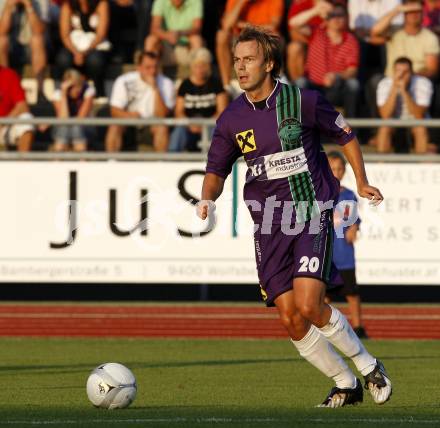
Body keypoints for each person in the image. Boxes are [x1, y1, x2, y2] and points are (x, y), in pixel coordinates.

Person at [197, 26, 392, 407]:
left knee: (309, 304)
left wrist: (362, 180)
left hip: (311, 211)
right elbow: (215, 172)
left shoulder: (301, 101)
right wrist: (207, 199)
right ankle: (345, 384)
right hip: (268, 223)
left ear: (269, 63)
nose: (240, 67)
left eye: (249, 59)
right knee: (290, 318)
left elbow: (345, 135)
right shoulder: (232, 119)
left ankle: (369, 367)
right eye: (237, 60)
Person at [326, 151, 368, 339]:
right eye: (332, 168)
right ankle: (325, 327)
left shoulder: (348, 195)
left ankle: (358, 327)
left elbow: (353, 220)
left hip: (343, 254)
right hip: (325, 253)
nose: (336, 172)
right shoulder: (319, 191)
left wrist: (354, 228)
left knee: (351, 293)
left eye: (340, 169)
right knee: (323, 295)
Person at [105, 50, 175, 152]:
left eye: (155, 67)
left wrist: (155, 88)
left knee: (161, 127)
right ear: (139, 67)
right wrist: (129, 116)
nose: (153, 71)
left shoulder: (166, 83)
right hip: (128, 124)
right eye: (148, 67)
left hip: (152, 126)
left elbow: (162, 115)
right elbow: (114, 111)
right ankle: (111, 163)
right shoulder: (123, 80)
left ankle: (161, 164)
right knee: (115, 125)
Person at [300, 4, 360, 118]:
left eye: (340, 15)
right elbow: (294, 24)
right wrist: (315, 11)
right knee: (300, 83)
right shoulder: (317, 32)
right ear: (327, 18)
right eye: (332, 15)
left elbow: (353, 70)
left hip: (337, 88)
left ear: (346, 18)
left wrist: (336, 76)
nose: (336, 19)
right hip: (314, 86)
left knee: (353, 84)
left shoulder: (351, 40)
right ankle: (302, 131)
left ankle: (351, 131)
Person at [169, 47, 228, 152]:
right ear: (192, 67)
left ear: (208, 66)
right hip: (189, 126)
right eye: (197, 66)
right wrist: (190, 123)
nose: (200, 69)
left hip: (210, 124)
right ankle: (171, 160)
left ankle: (215, 162)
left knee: (216, 129)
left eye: (203, 65)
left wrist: (205, 124)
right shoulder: (185, 85)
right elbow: (178, 112)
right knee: (179, 130)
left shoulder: (216, 84)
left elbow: (222, 112)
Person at [216, 0, 283, 90]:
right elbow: (227, 25)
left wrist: (243, 25)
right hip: (239, 38)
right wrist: (241, 2)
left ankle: (271, 82)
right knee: (222, 36)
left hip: (264, 36)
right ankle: (227, 86)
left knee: (275, 36)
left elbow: (273, 26)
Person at [376, 56, 433, 153]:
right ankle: (381, 165)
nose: (401, 75)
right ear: (393, 72)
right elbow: (385, 115)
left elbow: (419, 115)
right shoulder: (384, 84)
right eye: (398, 71)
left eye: (405, 72)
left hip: (416, 121)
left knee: (420, 128)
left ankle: (422, 167)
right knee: (384, 127)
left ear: (412, 73)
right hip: (393, 121)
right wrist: (394, 88)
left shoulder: (423, 83)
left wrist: (404, 91)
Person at [371, 0, 440, 79]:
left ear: (423, 14)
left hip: (417, 79)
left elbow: (432, 70)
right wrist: (397, 10)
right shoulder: (394, 32)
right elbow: (374, 31)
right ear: (404, 14)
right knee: (375, 80)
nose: (414, 15)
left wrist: (408, 77)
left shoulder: (430, 37)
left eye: (417, 11)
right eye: (409, 11)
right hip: (391, 79)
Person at [56, 0, 111, 96]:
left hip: (95, 46)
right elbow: (65, 35)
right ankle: (67, 92)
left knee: (95, 60)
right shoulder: (68, 5)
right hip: (73, 46)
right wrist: (76, 52)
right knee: (63, 59)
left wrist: (86, 52)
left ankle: (98, 91)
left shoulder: (101, 3)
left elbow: (101, 34)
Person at [144, 0, 203, 76]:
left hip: (186, 49)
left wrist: (180, 33)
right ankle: (148, 76)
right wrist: (167, 36)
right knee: (151, 40)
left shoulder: (196, 1)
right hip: (166, 49)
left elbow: (197, 28)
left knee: (196, 39)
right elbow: (154, 28)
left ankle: (195, 79)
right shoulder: (160, 1)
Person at [0, 0, 49, 92]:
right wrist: (8, 7)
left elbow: (39, 30)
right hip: (11, 47)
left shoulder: (41, 2)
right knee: (1, 41)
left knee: (37, 40)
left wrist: (29, 7)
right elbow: (1, 31)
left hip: (34, 48)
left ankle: (40, 92)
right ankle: (4, 88)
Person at [286, 0, 333, 82]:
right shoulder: (301, 3)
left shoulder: (335, 5)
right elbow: (293, 25)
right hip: (310, 40)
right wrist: (316, 11)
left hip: (331, 41)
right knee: (294, 48)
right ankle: (298, 86)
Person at [52, 68, 95, 152]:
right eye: (70, 87)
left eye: (77, 85)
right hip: (64, 129)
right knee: (63, 127)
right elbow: (63, 119)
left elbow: (81, 119)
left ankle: (82, 160)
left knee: (76, 127)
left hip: (84, 129)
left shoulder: (88, 91)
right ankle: (57, 162)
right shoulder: (58, 93)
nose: (75, 89)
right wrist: (64, 94)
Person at [0, 65, 34, 151]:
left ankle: (22, 163)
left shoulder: (9, 74)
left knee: (26, 120)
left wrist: (3, 122)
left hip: (5, 125)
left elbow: (22, 106)